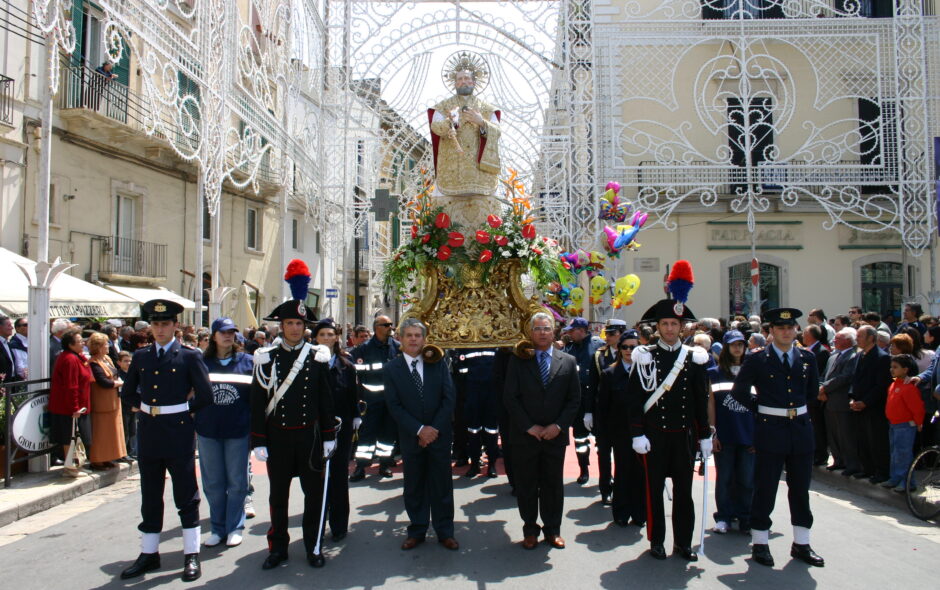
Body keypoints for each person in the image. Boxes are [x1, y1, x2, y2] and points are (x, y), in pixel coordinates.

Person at [118, 300, 213, 583]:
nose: (159, 329)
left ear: (175, 326)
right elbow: (128, 392)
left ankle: (191, 554)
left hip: (178, 431)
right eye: (155, 325)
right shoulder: (142, 356)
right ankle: (149, 553)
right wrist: (142, 406)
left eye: (165, 324)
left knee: (185, 494)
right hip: (150, 431)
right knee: (150, 493)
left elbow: (205, 396)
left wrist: (182, 411)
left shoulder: (189, 356)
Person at [250, 264, 337, 571]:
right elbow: (258, 402)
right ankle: (278, 548)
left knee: (313, 497)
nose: (295, 328)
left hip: (310, 438)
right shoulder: (266, 358)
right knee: (278, 499)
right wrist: (258, 440)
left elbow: (326, 401)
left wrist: (328, 436)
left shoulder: (317, 357)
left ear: (305, 326)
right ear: (281, 325)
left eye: (299, 323)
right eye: (289, 323)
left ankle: (314, 545)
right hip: (279, 437)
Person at [731, 308, 824, 568]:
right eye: (780, 328)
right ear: (771, 331)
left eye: (790, 327)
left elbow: (812, 392)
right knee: (766, 488)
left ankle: (802, 543)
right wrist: (763, 409)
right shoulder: (758, 359)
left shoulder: (807, 358)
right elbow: (739, 393)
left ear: (796, 330)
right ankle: (760, 542)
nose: (786, 332)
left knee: (801, 489)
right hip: (770, 429)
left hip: (800, 431)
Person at [627, 274, 710, 562]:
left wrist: (706, 434)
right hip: (655, 435)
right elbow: (635, 399)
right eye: (665, 324)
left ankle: (683, 543)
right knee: (653, 491)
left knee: (684, 494)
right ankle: (657, 540)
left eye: (675, 324)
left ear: (682, 327)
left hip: (683, 436)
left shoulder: (694, 357)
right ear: (658, 327)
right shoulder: (644, 356)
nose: (670, 328)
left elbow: (701, 399)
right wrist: (637, 433)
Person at [503, 312, 581, 550]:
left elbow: (574, 400)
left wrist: (557, 426)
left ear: (554, 331)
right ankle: (530, 529)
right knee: (526, 486)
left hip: (554, 437)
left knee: (553, 486)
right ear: (531, 332)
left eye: (546, 328)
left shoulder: (567, 361)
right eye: (537, 329)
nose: (542, 333)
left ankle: (552, 530)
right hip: (526, 436)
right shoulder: (518, 361)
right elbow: (510, 398)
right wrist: (529, 426)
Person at [384, 319, 458, 551]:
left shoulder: (438, 363)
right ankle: (417, 530)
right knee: (414, 485)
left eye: (418, 335)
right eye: (409, 335)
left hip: (438, 436)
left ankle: (445, 531)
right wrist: (419, 430)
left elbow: (449, 399)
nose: (414, 339)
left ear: (424, 339)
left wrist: (432, 429)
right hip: (411, 437)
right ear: (401, 339)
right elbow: (394, 405)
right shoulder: (391, 369)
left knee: (442, 485)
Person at [197, 317, 253, 549]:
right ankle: (218, 527)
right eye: (223, 332)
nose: (228, 336)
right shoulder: (201, 362)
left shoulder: (248, 362)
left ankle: (235, 526)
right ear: (214, 335)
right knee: (213, 483)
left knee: (237, 481)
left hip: (238, 431)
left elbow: (255, 399)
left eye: (232, 332)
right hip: (208, 430)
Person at [313, 319, 360, 542]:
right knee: (317, 478)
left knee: (339, 476)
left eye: (330, 334)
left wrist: (357, 416)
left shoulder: (346, 365)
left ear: (337, 337)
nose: (326, 338)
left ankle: (339, 525)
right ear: (315, 338)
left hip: (341, 427)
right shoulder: (308, 364)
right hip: (315, 430)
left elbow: (353, 394)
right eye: (322, 334)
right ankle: (317, 523)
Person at [429, 57, 501, 197]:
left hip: (480, 171)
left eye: (467, 78)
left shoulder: (487, 109)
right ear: (455, 84)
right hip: (453, 168)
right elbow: (436, 128)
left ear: (473, 82)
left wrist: (482, 122)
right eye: (460, 79)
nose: (463, 82)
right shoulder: (442, 107)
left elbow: (497, 132)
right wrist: (451, 122)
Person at [707, 330, 754, 535]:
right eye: (733, 344)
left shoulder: (752, 372)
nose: (737, 348)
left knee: (746, 479)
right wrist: (713, 434)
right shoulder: (714, 373)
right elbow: (711, 405)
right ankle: (724, 516)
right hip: (725, 434)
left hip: (748, 433)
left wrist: (758, 435)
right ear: (726, 347)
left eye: (741, 344)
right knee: (724, 478)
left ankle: (745, 516)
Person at [598, 329, 645, 526]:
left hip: (643, 432)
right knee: (623, 471)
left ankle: (640, 512)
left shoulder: (647, 372)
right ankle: (621, 511)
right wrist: (602, 435)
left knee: (641, 473)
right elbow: (603, 406)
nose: (628, 350)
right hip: (620, 431)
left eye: (633, 347)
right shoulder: (610, 373)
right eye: (625, 347)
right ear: (619, 348)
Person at [350, 315, 400, 481]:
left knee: (388, 434)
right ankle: (361, 467)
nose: (390, 327)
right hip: (371, 399)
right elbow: (356, 376)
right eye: (386, 325)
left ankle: (384, 465)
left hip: (391, 400)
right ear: (377, 327)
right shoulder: (363, 349)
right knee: (367, 434)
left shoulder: (398, 347)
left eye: (391, 324)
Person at [562, 317, 604, 485]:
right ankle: (584, 469)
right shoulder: (569, 347)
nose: (570, 334)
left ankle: (604, 472)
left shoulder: (597, 344)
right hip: (577, 401)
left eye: (572, 331)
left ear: (581, 330)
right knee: (580, 439)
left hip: (595, 400)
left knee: (601, 439)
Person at [48, 329, 94, 477]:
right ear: (70, 344)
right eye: (80, 341)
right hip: (69, 407)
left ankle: (75, 465)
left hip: (78, 405)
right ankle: (70, 468)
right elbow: (71, 386)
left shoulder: (77, 357)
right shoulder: (69, 359)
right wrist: (74, 407)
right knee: (70, 437)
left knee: (76, 436)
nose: (83, 343)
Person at [592, 318, 628, 503]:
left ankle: (622, 489)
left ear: (621, 334)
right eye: (607, 333)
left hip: (624, 414)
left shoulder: (632, 353)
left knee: (623, 456)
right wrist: (589, 412)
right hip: (604, 412)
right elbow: (592, 383)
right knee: (603, 453)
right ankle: (605, 488)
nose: (608, 337)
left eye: (612, 333)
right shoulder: (599, 355)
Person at [851, 325, 892, 484]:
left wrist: (865, 402)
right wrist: (852, 398)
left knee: (877, 440)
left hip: (874, 407)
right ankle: (867, 469)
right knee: (862, 439)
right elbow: (854, 380)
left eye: (860, 336)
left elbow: (881, 385)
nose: (857, 339)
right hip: (858, 405)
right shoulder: (859, 356)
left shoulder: (882, 358)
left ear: (871, 338)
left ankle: (881, 471)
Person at [451, 347, 500, 478]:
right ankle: (474, 464)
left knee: (491, 431)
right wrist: (466, 395)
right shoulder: (465, 348)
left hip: (491, 395)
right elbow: (460, 372)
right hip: (472, 394)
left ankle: (492, 465)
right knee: (473, 431)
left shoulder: (495, 346)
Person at [819, 328, 860, 475]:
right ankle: (838, 460)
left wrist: (824, 388)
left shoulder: (853, 356)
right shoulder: (832, 356)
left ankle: (851, 464)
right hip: (828, 401)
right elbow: (823, 376)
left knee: (845, 435)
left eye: (838, 339)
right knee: (833, 434)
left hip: (841, 401)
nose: (834, 341)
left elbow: (844, 377)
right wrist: (821, 389)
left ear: (848, 341)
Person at [882, 354, 925, 492]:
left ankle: (907, 482)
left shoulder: (909, 387)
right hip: (894, 424)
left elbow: (917, 408)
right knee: (895, 452)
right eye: (891, 367)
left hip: (905, 425)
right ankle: (895, 477)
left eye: (895, 367)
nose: (891, 370)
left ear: (905, 370)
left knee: (903, 454)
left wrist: (919, 422)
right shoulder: (894, 384)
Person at [87, 333, 126, 470]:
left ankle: (109, 457)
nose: (108, 346)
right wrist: (118, 383)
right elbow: (103, 382)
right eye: (105, 344)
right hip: (102, 402)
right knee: (101, 432)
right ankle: (98, 459)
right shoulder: (93, 363)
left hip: (113, 400)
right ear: (98, 347)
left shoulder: (107, 359)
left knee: (112, 431)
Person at [802, 324, 831, 467]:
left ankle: (821, 455)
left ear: (810, 335)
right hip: (807, 396)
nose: (802, 336)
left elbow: (818, 374)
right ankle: (814, 453)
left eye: (804, 333)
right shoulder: (805, 351)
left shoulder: (821, 352)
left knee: (818, 428)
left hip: (815, 396)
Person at [116, 350, 136, 461]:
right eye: (125, 361)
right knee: (125, 430)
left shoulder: (132, 373)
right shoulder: (119, 375)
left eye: (130, 361)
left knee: (132, 430)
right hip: (124, 406)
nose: (128, 363)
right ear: (119, 362)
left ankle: (130, 451)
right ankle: (123, 454)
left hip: (134, 405)